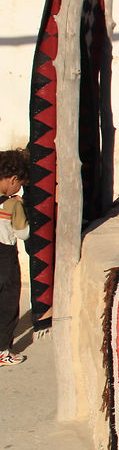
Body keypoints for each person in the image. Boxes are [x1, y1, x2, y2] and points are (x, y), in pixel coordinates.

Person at [0, 148, 29, 366]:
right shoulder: (13, 204)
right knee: (8, 302)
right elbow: (23, 233)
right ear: (13, 179)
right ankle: (3, 351)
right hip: (5, 256)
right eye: (19, 184)